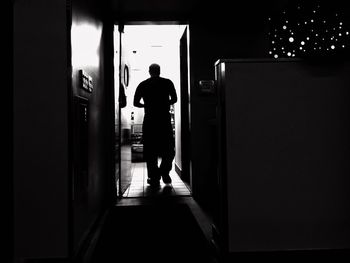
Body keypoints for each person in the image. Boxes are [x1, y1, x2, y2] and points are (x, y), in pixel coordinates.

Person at [133, 63, 177, 187]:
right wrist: (164, 103)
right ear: (159, 71)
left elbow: (135, 102)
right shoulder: (168, 83)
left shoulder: (143, 84)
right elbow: (174, 99)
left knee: (150, 151)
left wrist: (146, 105)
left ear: (149, 71)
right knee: (169, 150)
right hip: (164, 120)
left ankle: (154, 176)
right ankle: (164, 172)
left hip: (150, 121)